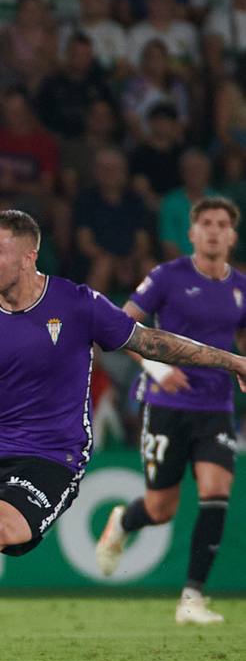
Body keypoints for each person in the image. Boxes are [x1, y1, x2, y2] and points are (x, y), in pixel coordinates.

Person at [0, 207, 246, 661]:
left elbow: (152, 343)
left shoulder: (78, 303)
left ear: (27, 257)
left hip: (54, 456)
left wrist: (234, 362)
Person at [95, 198, 246, 624]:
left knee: (216, 492)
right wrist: (158, 368)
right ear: (192, 233)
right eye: (206, 223)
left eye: (222, 224)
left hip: (215, 407)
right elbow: (121, 327)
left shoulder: (241, 288)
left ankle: (192, 598)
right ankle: (124, 520)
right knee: (161, 510)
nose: (214, 231)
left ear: (232, 235)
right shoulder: (167, 277)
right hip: (165, 404)